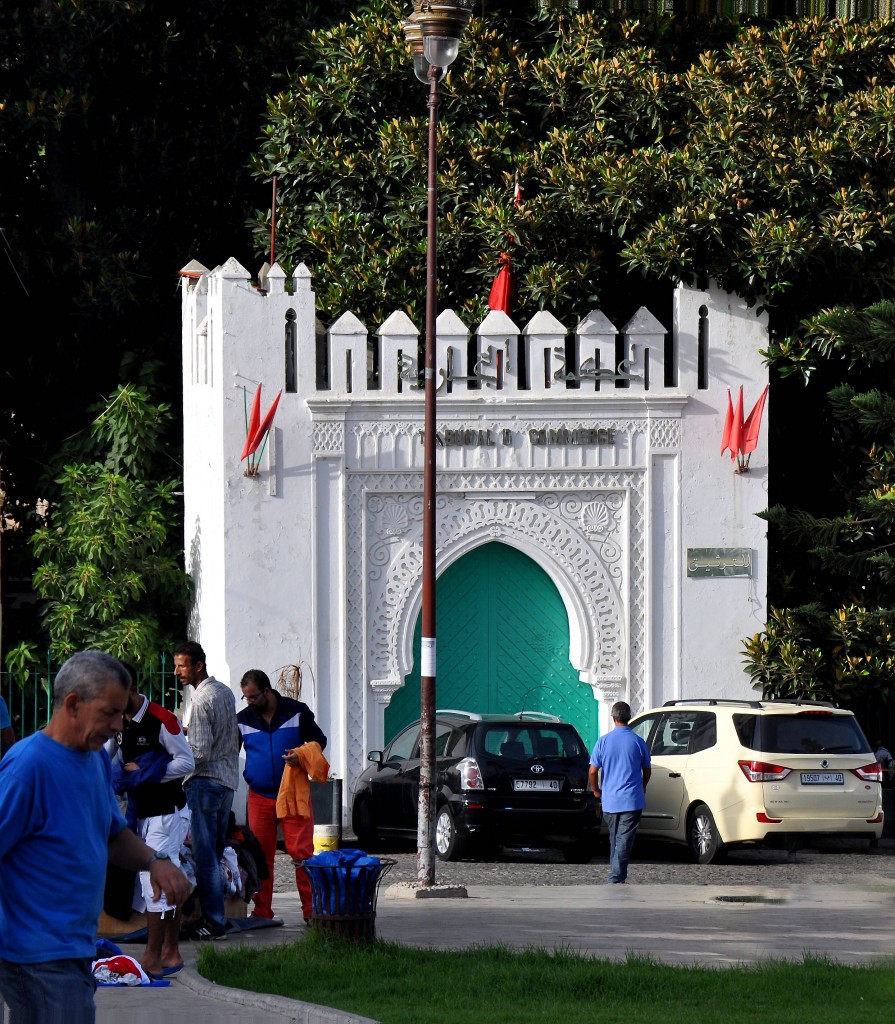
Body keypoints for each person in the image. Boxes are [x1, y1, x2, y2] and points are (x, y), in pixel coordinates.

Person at [0, 651, 191, 1024]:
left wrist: (155, 862)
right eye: (110, 713)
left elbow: (111, 833)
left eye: (122, 713)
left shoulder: (95, 760)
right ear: (73, 704)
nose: (120, 725)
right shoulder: (28, 768)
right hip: (36, 955)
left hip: (74, 948)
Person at [105, 672, 194, 976]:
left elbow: (187, 762)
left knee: (154, 882)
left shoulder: (162, 719)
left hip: (166, 811)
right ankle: (170, 953)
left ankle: (153, 957)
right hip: (140, 811)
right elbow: (106, 757)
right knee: (169, 878)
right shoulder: (117, 720)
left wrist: (145, 771)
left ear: (131, 688)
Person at [237, 669, 327, 922]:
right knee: (259, 855)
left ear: (267, 691)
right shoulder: (242, 719)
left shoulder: (297, 711)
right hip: (259, 796)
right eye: (246, 698)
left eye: (253, 697)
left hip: (294, 794)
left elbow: (319, 742)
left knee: (301, 853)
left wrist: (301, 756)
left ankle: (311, 911)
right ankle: (261, 911)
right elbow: (230, 748)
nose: (250, 702)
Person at [173, 640, 239, 940]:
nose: (177, 672)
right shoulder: (224, 692)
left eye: (182, 665)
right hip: (226, 783)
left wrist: (169, 757)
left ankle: (214, 922)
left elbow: (197, 752)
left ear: (198, 665)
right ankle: (216, 918)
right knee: (213, 852)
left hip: (204, 782)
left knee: (205, 857)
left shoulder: (200, 701)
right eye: (176, 665)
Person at [588, 700, 651, 885]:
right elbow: (647, 770)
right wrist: (643, 786)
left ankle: (617, 875)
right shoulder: (638, 741)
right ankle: (617, 877)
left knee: (614, 839)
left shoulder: (604, 741)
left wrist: (596, 790)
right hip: (632, 799)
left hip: (610, 800)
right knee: (624, 839)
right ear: (629, 718)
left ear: (613, 717)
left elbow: (592, 771)